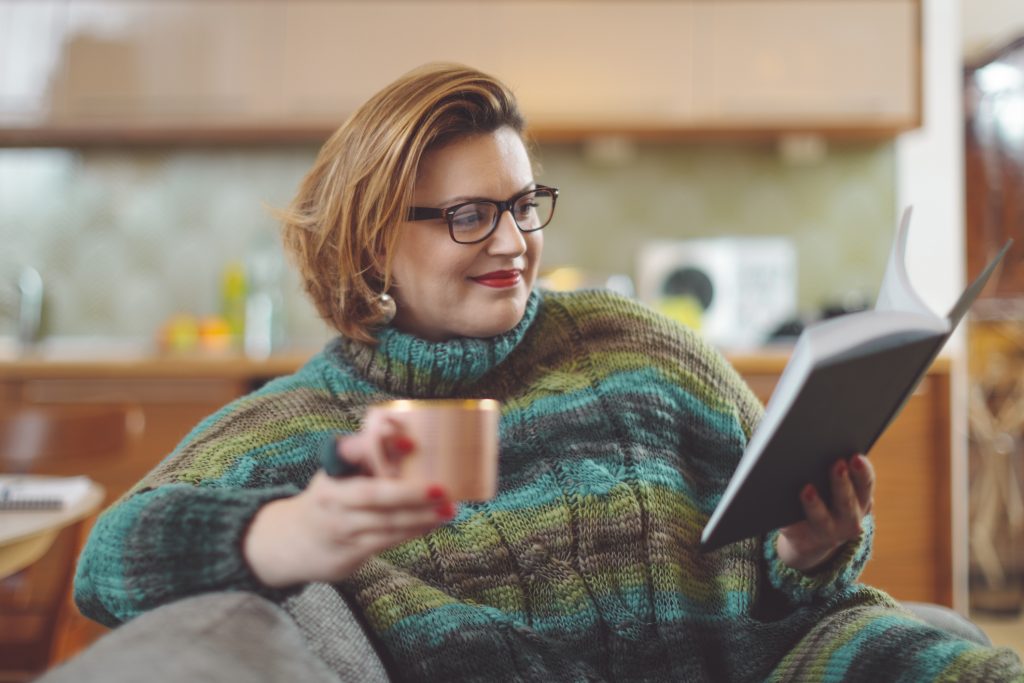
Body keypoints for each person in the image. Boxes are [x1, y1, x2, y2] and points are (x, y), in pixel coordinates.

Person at [74, 63, 1023, 682]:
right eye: (468, 216)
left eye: (525, 204)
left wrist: (805, 555)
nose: (516, 243)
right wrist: (286, 533)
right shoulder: (298, 425)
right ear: (370, 247)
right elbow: (107, 561)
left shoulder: (643, 349)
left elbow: (776, 594)